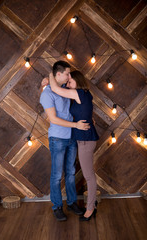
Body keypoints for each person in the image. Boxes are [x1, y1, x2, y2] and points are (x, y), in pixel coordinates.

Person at [40, 61, 90, 221]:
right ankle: (57, 207)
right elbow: (53, 119)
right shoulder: (46, 94)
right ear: (58, 74)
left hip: (71, 137)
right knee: (56, 175)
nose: (70, 76)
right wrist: (76, 124)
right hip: (57, 139)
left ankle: (72, 203)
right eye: (67, 74)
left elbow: (82, 106)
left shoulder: (66, 89)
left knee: (70, 173)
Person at [49, 70, 99, 221]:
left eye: (70, 81)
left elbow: (56, 89)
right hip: (83, 139)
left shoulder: (78, 93)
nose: (68, 84)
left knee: (89, 177)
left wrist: (50, 75)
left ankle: (90, 209)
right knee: (88, 175)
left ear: (77, 80)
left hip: (85, 140)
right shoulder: (84, 93)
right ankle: (92, 206)